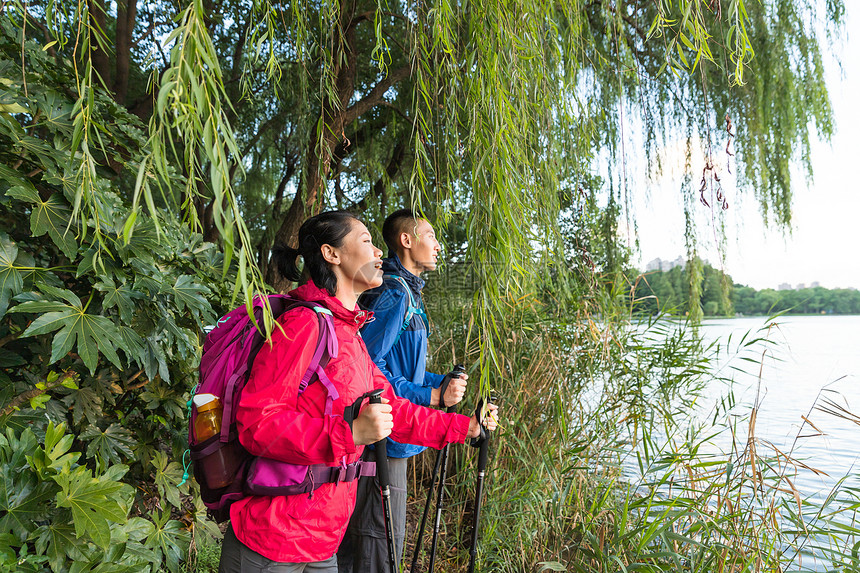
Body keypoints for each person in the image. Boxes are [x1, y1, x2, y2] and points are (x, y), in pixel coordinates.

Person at [218, 210, 497, 573]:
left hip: (324, 542)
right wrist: (348, 434)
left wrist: (466, 428)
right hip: (274, 538)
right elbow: (257, 422)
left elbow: (393, 410)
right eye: (366, 241)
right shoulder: (304, 324)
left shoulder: (349, 333)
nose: (380, 251)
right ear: (332, 254)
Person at [338, 209, 467, 573]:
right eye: (430, 235)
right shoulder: (394, 294)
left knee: (373, 534)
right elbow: (367, 368)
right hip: (385, 436)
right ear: (406, 241)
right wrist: (430, 397)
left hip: (395, 430)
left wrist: (438, 382)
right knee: (380, 537)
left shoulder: (407, 292)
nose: (438, 245)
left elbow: (401, 367)